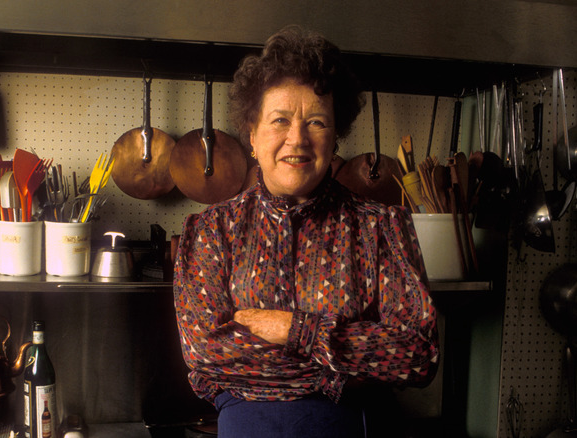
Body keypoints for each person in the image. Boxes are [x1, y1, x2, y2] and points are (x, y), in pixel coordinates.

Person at [173, 25, 439, 438]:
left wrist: (295, 329)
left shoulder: (380, 226)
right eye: (280, 120)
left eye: (316, 122)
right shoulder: (210, 230)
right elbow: (206, 355)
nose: (296, 140)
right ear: (253, 137)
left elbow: (417, 356)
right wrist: (347, 365)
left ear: (335, 139)